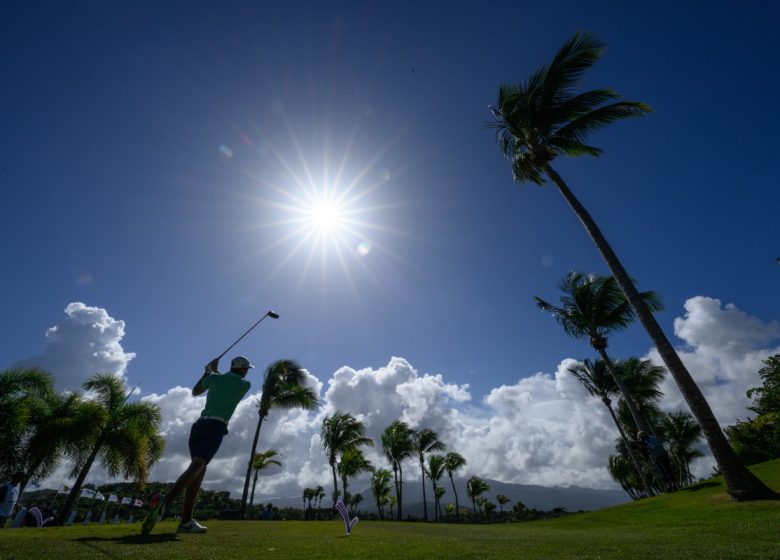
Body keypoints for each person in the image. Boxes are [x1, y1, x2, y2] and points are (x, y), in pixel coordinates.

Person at [142, 356, 254, 535]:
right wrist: (212, 372)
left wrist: (207, 371)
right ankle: (166, 503)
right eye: (246, 368)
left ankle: (186, 522)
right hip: (215, 427)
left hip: (198, 427)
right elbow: (225, 384)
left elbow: (196, 391)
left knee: (198, 472)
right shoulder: (244, 385)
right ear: (241, 370)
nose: (247, 371)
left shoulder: (215, 378)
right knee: (199, 464)